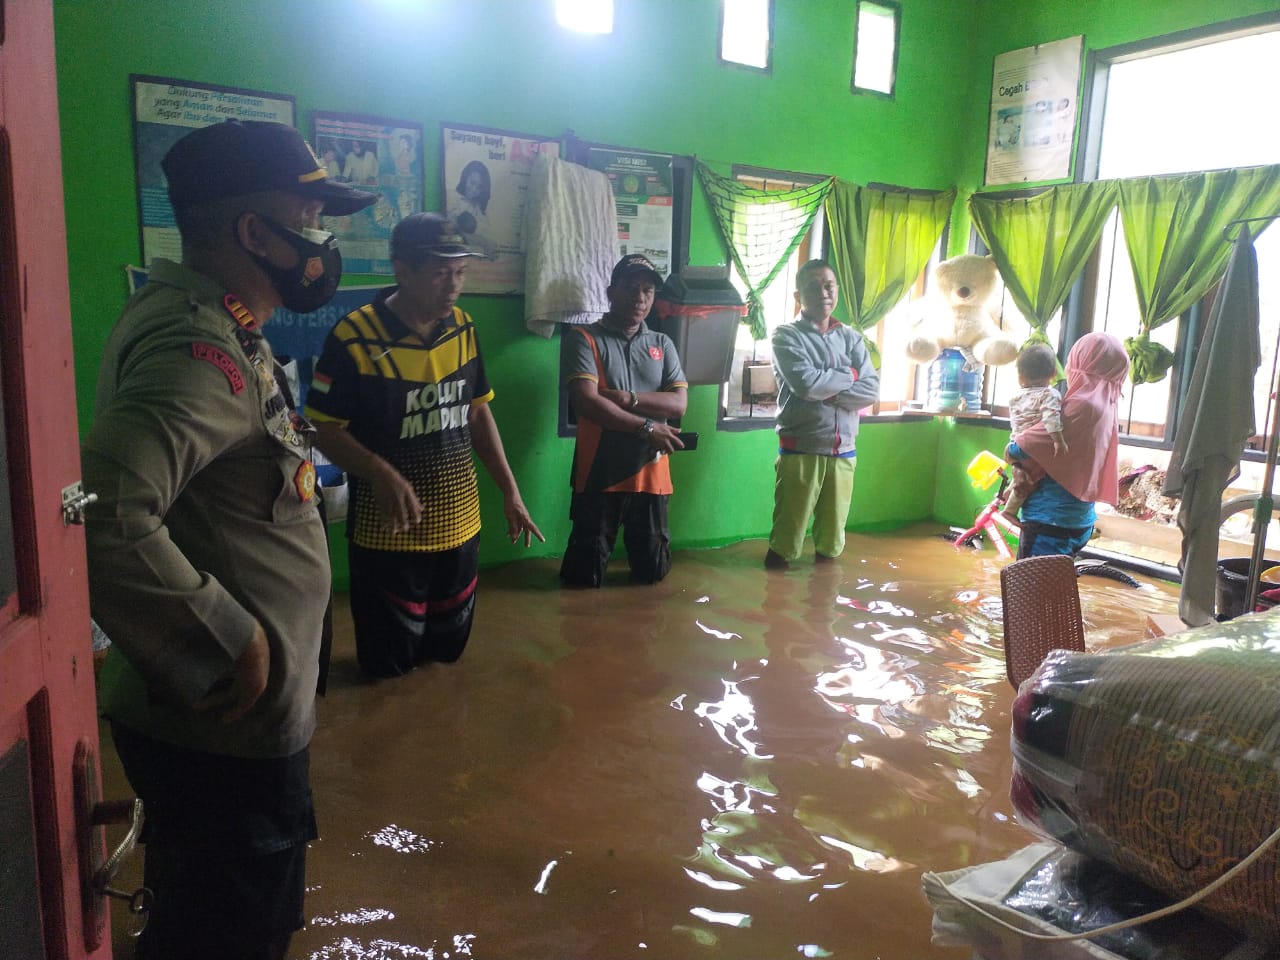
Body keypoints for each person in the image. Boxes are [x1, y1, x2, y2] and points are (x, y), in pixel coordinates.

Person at [81, 119, 377, 960]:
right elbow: (103, 506)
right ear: (255, 232)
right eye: (310, 218)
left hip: (211, 721)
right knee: (234, 933)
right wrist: (225, 637)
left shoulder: (214, 320)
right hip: (221, 723)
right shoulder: (197, 348)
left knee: (206, 916)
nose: (324, 242)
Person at [305, 213, 543, 678]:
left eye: (460, 272)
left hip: (460, 528)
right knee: (386, 671)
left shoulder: (463, 328)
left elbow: (477, 413)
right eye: (439, 273)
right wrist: (381, 472)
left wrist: (511, 492)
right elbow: (323, 428)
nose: (453, 286)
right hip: (388, 535)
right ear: (402, 269)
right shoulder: (354, 337)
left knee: (446, 661)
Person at [560, 253, 688, 587]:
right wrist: (648, 426)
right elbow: (588, 402)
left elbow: (678, 404)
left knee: (652, 576)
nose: (640, 297)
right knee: (583, 579)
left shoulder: (662, 343)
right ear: (610, 292)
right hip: (600, 472)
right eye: (631, 287)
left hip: (652, 474)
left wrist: (629, 398)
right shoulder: (583, 338)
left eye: (647, 290)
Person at [765, 259, 880, 570]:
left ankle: (824, 597)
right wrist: (851, 374)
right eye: (813, 287)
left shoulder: (851, 337)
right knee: (786, 541)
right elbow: (806, 384)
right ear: (798, 296)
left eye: (828, 286)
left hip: (845, 451)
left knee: (831, 543)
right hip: (801, 448)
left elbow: (871, 390)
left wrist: (827, 388)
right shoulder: (786, 335)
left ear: (837, 290)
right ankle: (774, 596)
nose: (823, 293)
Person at [1005, 331, 1129, 559]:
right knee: (1057, 582)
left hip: (1050, 521)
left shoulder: (1080, 406)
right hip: (1079, 520)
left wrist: (1011, 456)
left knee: (1031, 583)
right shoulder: (1107, 406)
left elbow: (1020, 449)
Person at [1001, 342, 1067, 520]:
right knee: (1031, 479)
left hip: (1015, 442)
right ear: (1054, 374)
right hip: (1033, 448)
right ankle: (1009, 511)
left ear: (1020, 377)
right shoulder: (1049, 395)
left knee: (1023, 473)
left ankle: (1008, 495)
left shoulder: (1016, 396)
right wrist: (1058, 441)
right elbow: (1051, 419)